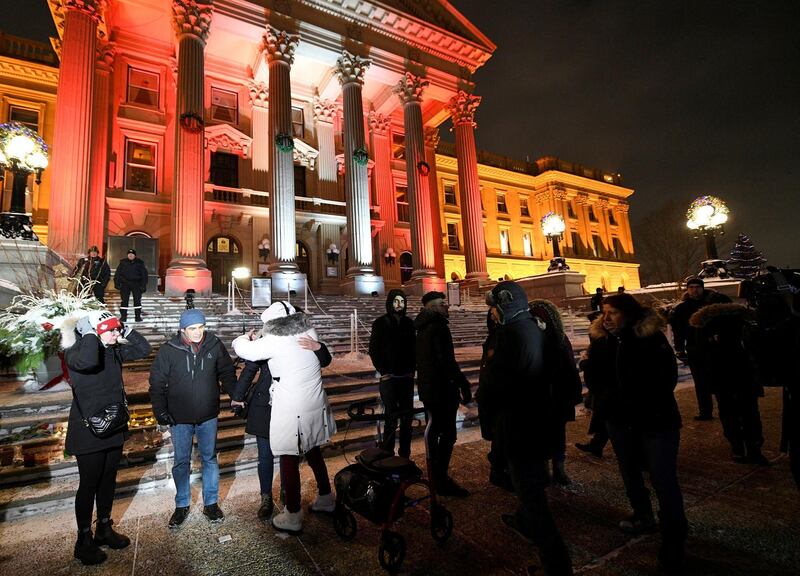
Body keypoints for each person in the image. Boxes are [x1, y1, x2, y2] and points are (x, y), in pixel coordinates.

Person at [583, 293, 687, 572]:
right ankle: (642, 515)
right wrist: (590, 367)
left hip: (655, 420)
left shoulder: (649, 338)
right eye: (604, 312)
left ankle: (674, 539)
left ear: (628, 313)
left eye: (613, 312)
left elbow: (666, 380)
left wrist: (628, 397)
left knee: (663, 478)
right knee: (629, 472)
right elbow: (594, 380)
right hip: (619, 420)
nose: (606, 318)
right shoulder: (603, 340)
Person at [485, 281, 573, 576]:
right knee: (533, 492)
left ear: (503, 305)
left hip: (520, 427)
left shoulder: (509, 335)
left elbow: (496, 384)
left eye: (495, 307)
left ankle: (556, 565)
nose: (493, 314)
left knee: (534, 502)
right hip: (538, 423)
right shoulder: (536, 329)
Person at [232, 302, 337, 534]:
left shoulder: (275, 339)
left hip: (292, 404)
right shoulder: (309, 331)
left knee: (288, 455)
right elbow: (324, 357)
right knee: (313, 450)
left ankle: (292, 513)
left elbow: (244, 351)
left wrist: (244, 338)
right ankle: (326, 497)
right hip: (314, 402)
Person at [64, 310, 151, 565]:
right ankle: (83, 540)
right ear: (94, 332)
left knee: (107, 481)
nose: (116, 334)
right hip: (88, 430)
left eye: (116, 330)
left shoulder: (112, 351)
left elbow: (143, 348)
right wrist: (91, 331)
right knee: (88, 484)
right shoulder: (77, 352)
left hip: (112, 426)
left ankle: (104, 527)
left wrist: (122, 330)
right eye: (111, 330)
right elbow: (89, 361)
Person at [149, 309, 237, 529]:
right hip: (179, 417)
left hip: (208, 415)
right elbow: (157, 383)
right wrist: (160, 411)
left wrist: (236, 395)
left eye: (201, 327)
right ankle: (181, 505)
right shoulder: (169, 351)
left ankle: (211, 503)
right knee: (181, 461)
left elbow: (226, 372)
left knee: (209, 459)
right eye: (192, 328)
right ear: (182, 330)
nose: (198, 332)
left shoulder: (214, 345)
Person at [689, 303, 768, 464]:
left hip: (721, 377)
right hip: (744, 376)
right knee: (750, 413)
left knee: (728, 413)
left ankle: (737, 447)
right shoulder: (744, 323)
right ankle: (753, 449)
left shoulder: (705, 326)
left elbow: (700, 354)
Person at [414, 291, 472, 497]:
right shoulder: (438, 328)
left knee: (436, 430)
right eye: (441, 304)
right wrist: (462, 384)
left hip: (429, 389)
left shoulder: (422, 328)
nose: (445, 306)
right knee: (448, 434)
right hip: (441, 389)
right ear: (431, 308)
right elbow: (446, 361)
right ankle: (440, 478)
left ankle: (436, 474)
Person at [529, 299, 583, 486]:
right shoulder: (530, 339)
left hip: (557, 397)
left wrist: (571, 394)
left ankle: (559, 469)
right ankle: (544, 471)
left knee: (557, 435)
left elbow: (569, 368)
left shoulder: (559, 339)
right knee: (540, 436)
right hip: (539, 398)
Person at [670, 276, 731, 420]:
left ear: (702, 288)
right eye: (691, 288)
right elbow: (678, 330)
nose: (694, 290)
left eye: (697, 287)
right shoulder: (682, 308)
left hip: (715, 347)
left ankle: (725, 408)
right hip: (695, 348)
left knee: (719, 378)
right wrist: (679, 348)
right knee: (700, 381)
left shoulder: (713, 303)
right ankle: (705, 411)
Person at [368, 289, 416, 457]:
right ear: (390, 303)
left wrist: (412, 370)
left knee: (407, 418)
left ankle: (405, 454)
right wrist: (383, 371)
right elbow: (374, 350)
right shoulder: (380, 323)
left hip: (406, 378)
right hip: (389, 378)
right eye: (396, 301)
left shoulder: (409, 323)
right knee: (391, 416)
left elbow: (414, 349)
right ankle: (388, 453)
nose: (399, 305)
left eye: (402, 301)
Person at [476, 306, 512, 491]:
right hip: (495, 396)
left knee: (502, 435)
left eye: (493, 312)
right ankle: (498, 471)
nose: (491, 316)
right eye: (489, 314)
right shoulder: (496, 335)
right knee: (500, 435)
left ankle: (500, 469)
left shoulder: (503, 335)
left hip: (500, 395)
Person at [114, 248, 148, 322]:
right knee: (124, 301)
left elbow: (144, 275)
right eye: (129, 254)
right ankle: (123, 316)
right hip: (125, 284)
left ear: (135, 255)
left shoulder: (140, 263)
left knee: (137, 300)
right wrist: (117, 283)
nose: (130, 255)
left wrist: (143, 285)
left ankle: (137, 316)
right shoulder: (123, 262)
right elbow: (117, 274)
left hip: (136, 284)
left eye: (132, 254)